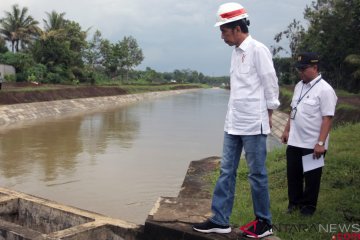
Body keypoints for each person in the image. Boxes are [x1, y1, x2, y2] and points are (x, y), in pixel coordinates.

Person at [192, 2, 280, 238]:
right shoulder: (235, 53)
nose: (222, 36)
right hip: (233, 123)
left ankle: (264, 222)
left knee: (257, 174)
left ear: (237, 27)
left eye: (224, 31)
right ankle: (220, 220)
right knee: (226, 171)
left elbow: (270, 84)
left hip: (253, 123)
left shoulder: (258, 50)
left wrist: (269, 114)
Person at [281, 52, 337, 216]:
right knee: (293, 175)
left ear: (315, 67)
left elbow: (328, 118)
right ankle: (294, 204)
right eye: (299, 69)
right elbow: (293, 109)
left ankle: (308, 208)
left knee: (312, 178)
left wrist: (320, 143)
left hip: (312, 144)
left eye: (304, 69)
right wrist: (286, 130)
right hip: (294, 141)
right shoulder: (299, 86)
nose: (301, 72)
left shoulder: (325, 90)